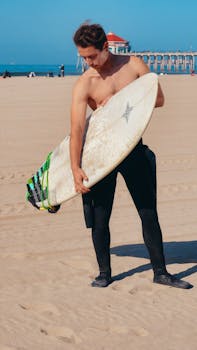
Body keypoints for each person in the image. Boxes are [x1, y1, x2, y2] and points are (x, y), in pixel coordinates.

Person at [70, 23, 193, 289]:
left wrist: (119, 103)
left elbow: (158, 99)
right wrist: (75, 167)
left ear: (106, 47)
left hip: (132, 149)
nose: (89, 62)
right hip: (100, 154)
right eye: (83, 58)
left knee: (148, 212)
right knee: (100, 217)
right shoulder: (85, 83)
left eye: (92, 56)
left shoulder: (133, 65)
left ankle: (161, 272)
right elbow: (77, 128)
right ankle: (104, 273)